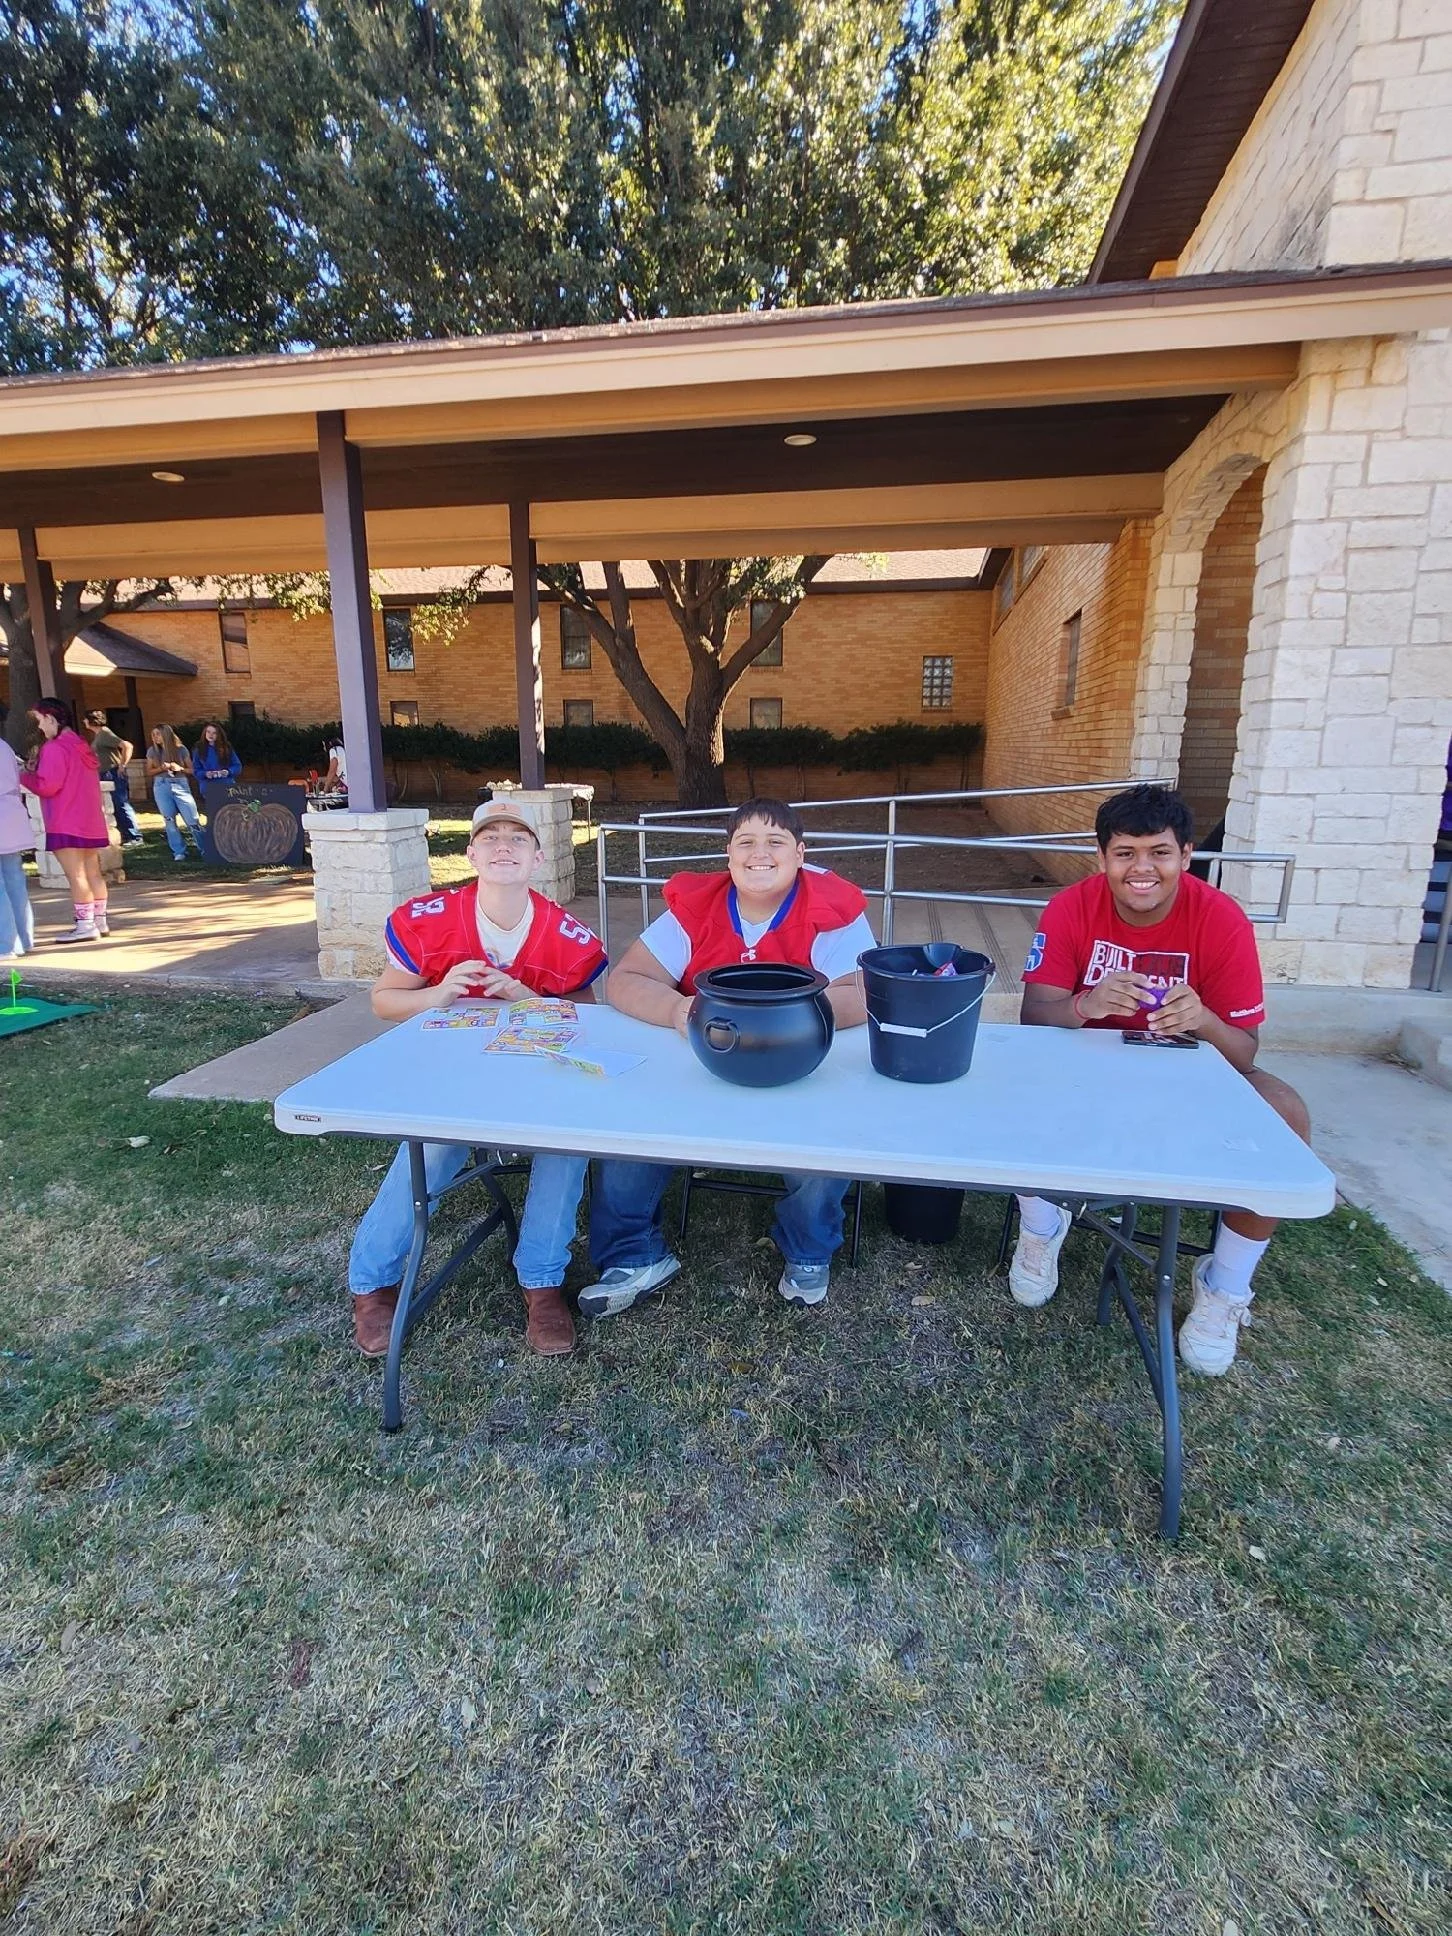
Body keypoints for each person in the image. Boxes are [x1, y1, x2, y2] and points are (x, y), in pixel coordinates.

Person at [1008, 783, 1311, 1377]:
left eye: (1159, 853)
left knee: (1285, 1110)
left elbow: (1245, 1054)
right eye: (1125, 853)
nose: (1141, 869)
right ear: (1103, 859)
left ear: (1186, 855)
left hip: (1185, 1076)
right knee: (1004, 1087)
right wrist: (1086, 1006)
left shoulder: (1220, 918)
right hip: (1083, 1070)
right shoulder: (1071, 906)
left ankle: (1224, 1288)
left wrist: (1203, 1021)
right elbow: (1034, 1021)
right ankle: (1042, 1227)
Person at [581, 797, 876, 1316]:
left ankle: (807, 1248)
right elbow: (625, 981)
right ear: (728, 854)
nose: (760, 853)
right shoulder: (700, 907)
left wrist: (773, 1022)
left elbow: (860, 993)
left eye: (776, 841)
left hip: (795, 1063)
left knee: (830, 1127)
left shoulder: (829, 909)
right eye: (746, 842)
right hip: (705, 1056)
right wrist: (677, 1010)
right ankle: (633, 1253)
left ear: (801, 853)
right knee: (630, 1114)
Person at [348, 798, 608, 1358]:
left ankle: (541, 1284)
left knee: (567, 1143)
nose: (503, 847)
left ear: (538, 858)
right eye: (491, 838)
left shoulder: (565, 932)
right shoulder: (433, 917)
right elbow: (383, 1001)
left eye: (518, 839)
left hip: (536, 1071)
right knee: (432, 1146)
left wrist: (528, 997)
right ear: (470, 853)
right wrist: (438, 993)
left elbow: (589, 1017)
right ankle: (373, 1284)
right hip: (451, 1074)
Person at [18, 698, 111, 943]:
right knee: (93, 872)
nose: (40, 727)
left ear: (50, 718)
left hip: (65, 819)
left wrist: (25, 776)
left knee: (76, 875)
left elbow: (48, 786)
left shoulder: (54, 747)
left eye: (40, 721)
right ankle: (99, 921)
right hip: (89, 820)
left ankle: (85, 925)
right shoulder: (82, 744)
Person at [145, 724, 204, 860]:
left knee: (192, 819)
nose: (155, 737)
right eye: (153, 735)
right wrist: (161, 768)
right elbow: (149, 771)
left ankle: (204, 847)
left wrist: (180, 768)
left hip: (180, 784)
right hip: (161, 785)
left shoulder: (181, 750)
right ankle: (179, 851)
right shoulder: (152, 752)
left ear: (166, 734)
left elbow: (192, 770)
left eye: (157, 734)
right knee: (169, 819)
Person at [84, 709, 143, 846]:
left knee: (121, 803)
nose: (84, 722)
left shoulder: (105, 733)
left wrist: (122, 764)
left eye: (86, 719)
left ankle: (135, 836)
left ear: (92, 720)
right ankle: (126, 835)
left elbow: (127, 745)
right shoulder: (99, 735)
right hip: (104, 773)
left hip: (112, 772)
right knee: (113, 805)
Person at [0, 734, 36, 956]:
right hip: (11, 814)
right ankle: (24, 937)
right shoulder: (5, 746)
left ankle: (6, 943)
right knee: (14, 880)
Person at [192, 722, 242, 802]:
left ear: (219, 735)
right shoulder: (199, 749)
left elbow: (237, 766)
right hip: (208, 788)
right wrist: (205, 774)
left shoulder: (226, 748)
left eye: (214, 733)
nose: (210, 735)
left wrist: (228, 772)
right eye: (208, 732)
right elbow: (196, 770)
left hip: (227, 787)